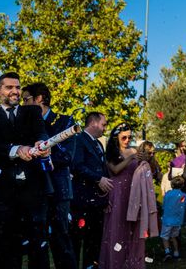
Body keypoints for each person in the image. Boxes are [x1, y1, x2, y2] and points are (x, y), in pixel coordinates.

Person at [0, 72, 53, 269]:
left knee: (38, 243)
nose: (15, 91)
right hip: (4, 191)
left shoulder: (32, 111)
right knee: (6, 245)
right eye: (9, 87)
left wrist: (42, 144)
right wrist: (18, 150)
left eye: (17, 87)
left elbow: (41, 132)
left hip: (34, 189)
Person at [23, 82, 77, 269]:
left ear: (39, 99)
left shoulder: (64, 121)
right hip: (33, 190)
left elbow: (68, 155)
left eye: (26, 99)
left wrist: (47, 154)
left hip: (58, 190)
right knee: (36, 241)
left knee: (61, 239)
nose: (23, 104)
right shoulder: (25, 125)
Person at [99, 123, 149, 268]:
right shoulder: (110, 153)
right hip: (117, 193)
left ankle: (132, 262)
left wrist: (144, 162)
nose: (127, 140)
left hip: (132, 193)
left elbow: (140, 170)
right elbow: (115, 169)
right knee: (117, 228)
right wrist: (131, 157)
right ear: (116, 138)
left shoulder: (133, 150)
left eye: (129, 137)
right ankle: (116, 263)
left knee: (133, 228)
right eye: (124, 137)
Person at [70, 111, 112, 269]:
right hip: (82, 201)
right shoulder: (78, 140)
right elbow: (77, 166)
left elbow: (103, 170)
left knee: (94, 241)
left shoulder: (99, 143)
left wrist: (105, 199)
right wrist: (97, 178)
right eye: (103, 124)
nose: (105, 128)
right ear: (93, 123)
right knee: (77, 241)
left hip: (97, 203)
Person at [161, 175, 186, 261]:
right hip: (178, 220)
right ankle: (176, 252)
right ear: (182, 185)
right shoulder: (183, 196)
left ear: (171, 185)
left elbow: (163, 206)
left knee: (165, 237)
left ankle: (167, 252)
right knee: (174, 237)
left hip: (167, 220)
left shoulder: (167, 194)